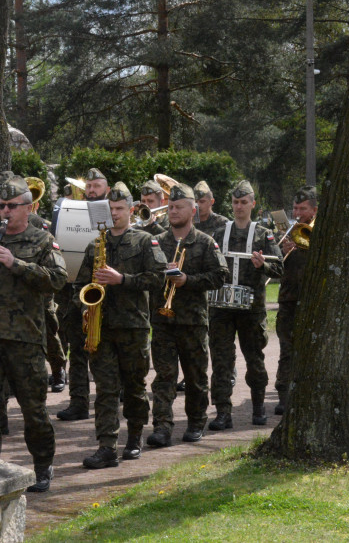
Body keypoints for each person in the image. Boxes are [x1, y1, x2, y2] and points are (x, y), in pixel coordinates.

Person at [0, 175, 68, 493]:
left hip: (25, 338)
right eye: (0, 206)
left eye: (11, 206)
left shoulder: (42, 241)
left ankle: (42, 465)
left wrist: (16, 264)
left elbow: (58, 279)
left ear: (29, 207)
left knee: (32, 409)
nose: (5, 212)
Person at [77, 182, 166, 470]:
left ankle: (136, 436)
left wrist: (122, 280)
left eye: (119, 209)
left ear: (131, 210)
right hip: (101, 327)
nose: (114, 214)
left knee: (134, 387)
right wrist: (85, 308)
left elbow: (158, 278)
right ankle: (106, 447)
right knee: (104, 389)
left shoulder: (144, 241)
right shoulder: (95, 244)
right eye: (110, 209)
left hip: (133, 326)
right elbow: (81, 284)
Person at [147, 183, 228, 448]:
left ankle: (195, 422)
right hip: (163, 321)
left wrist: (188, 280)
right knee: (164, 377)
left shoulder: (205, 242)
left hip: (193, 321)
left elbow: (220, 276)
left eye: (179, 207)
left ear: (193, 210)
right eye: (170, 207)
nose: (173, 211)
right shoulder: (156, 241)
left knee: (195, 377)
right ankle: (162, 426)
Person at [208, 180, 282, 429]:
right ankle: (222, 412)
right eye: (235, 202)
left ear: (252, 203)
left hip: (251, 309)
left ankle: (259, 407)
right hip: (221, 308)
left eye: (243, 202)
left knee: (254, 358)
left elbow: (280, 267)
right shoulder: (219, 232)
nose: (239, 206)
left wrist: (265, 265)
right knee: (221, 360)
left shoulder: (263, 234)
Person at [58, 167, 110, 421]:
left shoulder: (116, 215)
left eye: (96, 186)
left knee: (104, 354)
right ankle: (78, 402)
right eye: (88, 186)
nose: (91, 191)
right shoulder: (73, 212)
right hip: (74, 292)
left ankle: (107, 400)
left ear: (106, 190)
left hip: (107, 296)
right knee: (77, 350)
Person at [273, 185, 317, 414]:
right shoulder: (285, 232)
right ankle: (283, 394)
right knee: (286, 349)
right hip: (289, 298)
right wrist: (282, 251)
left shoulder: (321, 232)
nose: (297, 213)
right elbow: (274, 267)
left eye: (302, 208)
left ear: (314, 210)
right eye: (294, 208)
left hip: (313, 300)